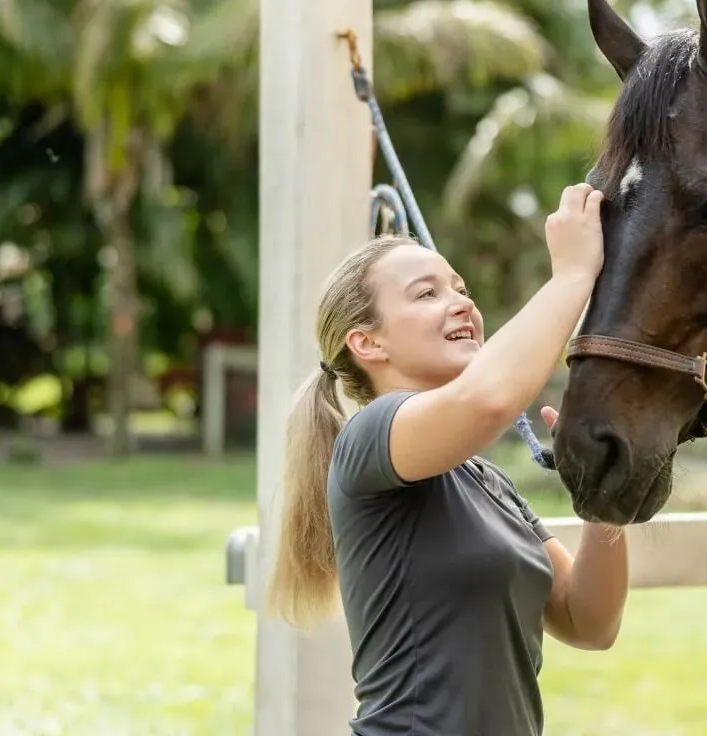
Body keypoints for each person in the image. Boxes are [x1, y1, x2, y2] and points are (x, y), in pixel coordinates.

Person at [267, 183, 630, 736]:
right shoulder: (368, 439)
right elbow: (489, 399)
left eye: (459, 288)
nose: (463, 302)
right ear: (368, 343)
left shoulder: (487, 482)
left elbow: (589, 620)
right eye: (426, 294)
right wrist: (573, 277)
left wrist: (602, 494)